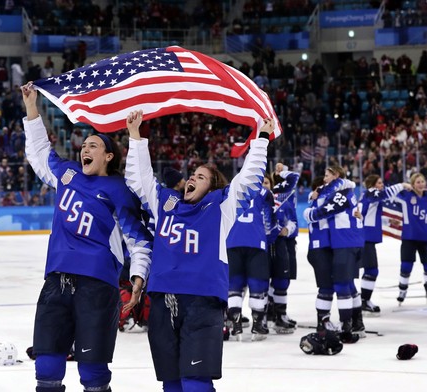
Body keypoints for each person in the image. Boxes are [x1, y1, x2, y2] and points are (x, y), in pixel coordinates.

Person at [125, 109, 273, 391]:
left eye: (201, 177)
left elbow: (248, 178)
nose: (192, 178)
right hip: (161, 301)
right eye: (192, 175)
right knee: (171, 384)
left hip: (202, 302)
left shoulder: (221, 207)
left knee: (196, 384)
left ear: (213, 187)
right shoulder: (166, 203)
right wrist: (136, 137)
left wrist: (262, 138)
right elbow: (139, 180)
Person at [21, 83, 152, 392]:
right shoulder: (67, 175)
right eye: (85, 145)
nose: (85, 149)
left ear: (108, 156)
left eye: (93, 145)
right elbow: (39, 153)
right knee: (47, 366)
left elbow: (139, 240)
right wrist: (31, 108)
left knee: (93, 372)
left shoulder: (119, 190)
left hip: (97, 286)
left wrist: (138, 277)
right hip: (56, 280)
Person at [304, 165, 363, 343]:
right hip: (325, 247)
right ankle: (331, 323)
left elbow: (326, 209)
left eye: (327, 175)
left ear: (336, 176)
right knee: (334, 286)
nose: (324, 179)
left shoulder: (342, 192)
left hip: (340, 244)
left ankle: (349, 325)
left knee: (342, 285)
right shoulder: (324, 194)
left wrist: (309, 212)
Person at [225, 172, 275, 341]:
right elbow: (270, 220)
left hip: (232, 242)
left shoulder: (229, 190)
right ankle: (257, 325)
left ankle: (236, 324)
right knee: (258, 284)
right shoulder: (263, 192)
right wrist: (269, 237)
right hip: (256, 241)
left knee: (234, 286)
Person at [359, 175, 412, 314]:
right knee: (371, 271)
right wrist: (402, 185)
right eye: (380, 183)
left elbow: (371, 215)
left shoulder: (369, 196)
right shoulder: (371, 193)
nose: (383, 185)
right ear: (372, 184)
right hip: (365, 238)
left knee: (369, 270)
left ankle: (363, 300)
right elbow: (386, 193)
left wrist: (387, 221)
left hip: (365, 237)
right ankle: (364, 300)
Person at [393, 173, 427, 304]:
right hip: (409, 238)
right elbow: (389, 194)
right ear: (412, 184)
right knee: (406, 265)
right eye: (418, 182)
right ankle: (402, 289)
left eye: (423, 181)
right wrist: (402, 186)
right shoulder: (406, 196)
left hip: (426, 238)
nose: (421, 184)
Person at [267, 162, 300, 332]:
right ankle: (271, 315)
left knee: (283, 280)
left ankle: (277, 314)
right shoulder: (267, 199)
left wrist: (287, 230)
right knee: (272, 279)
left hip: (287, 241)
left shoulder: (286, 196)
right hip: (272, 243)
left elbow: (294, 220)